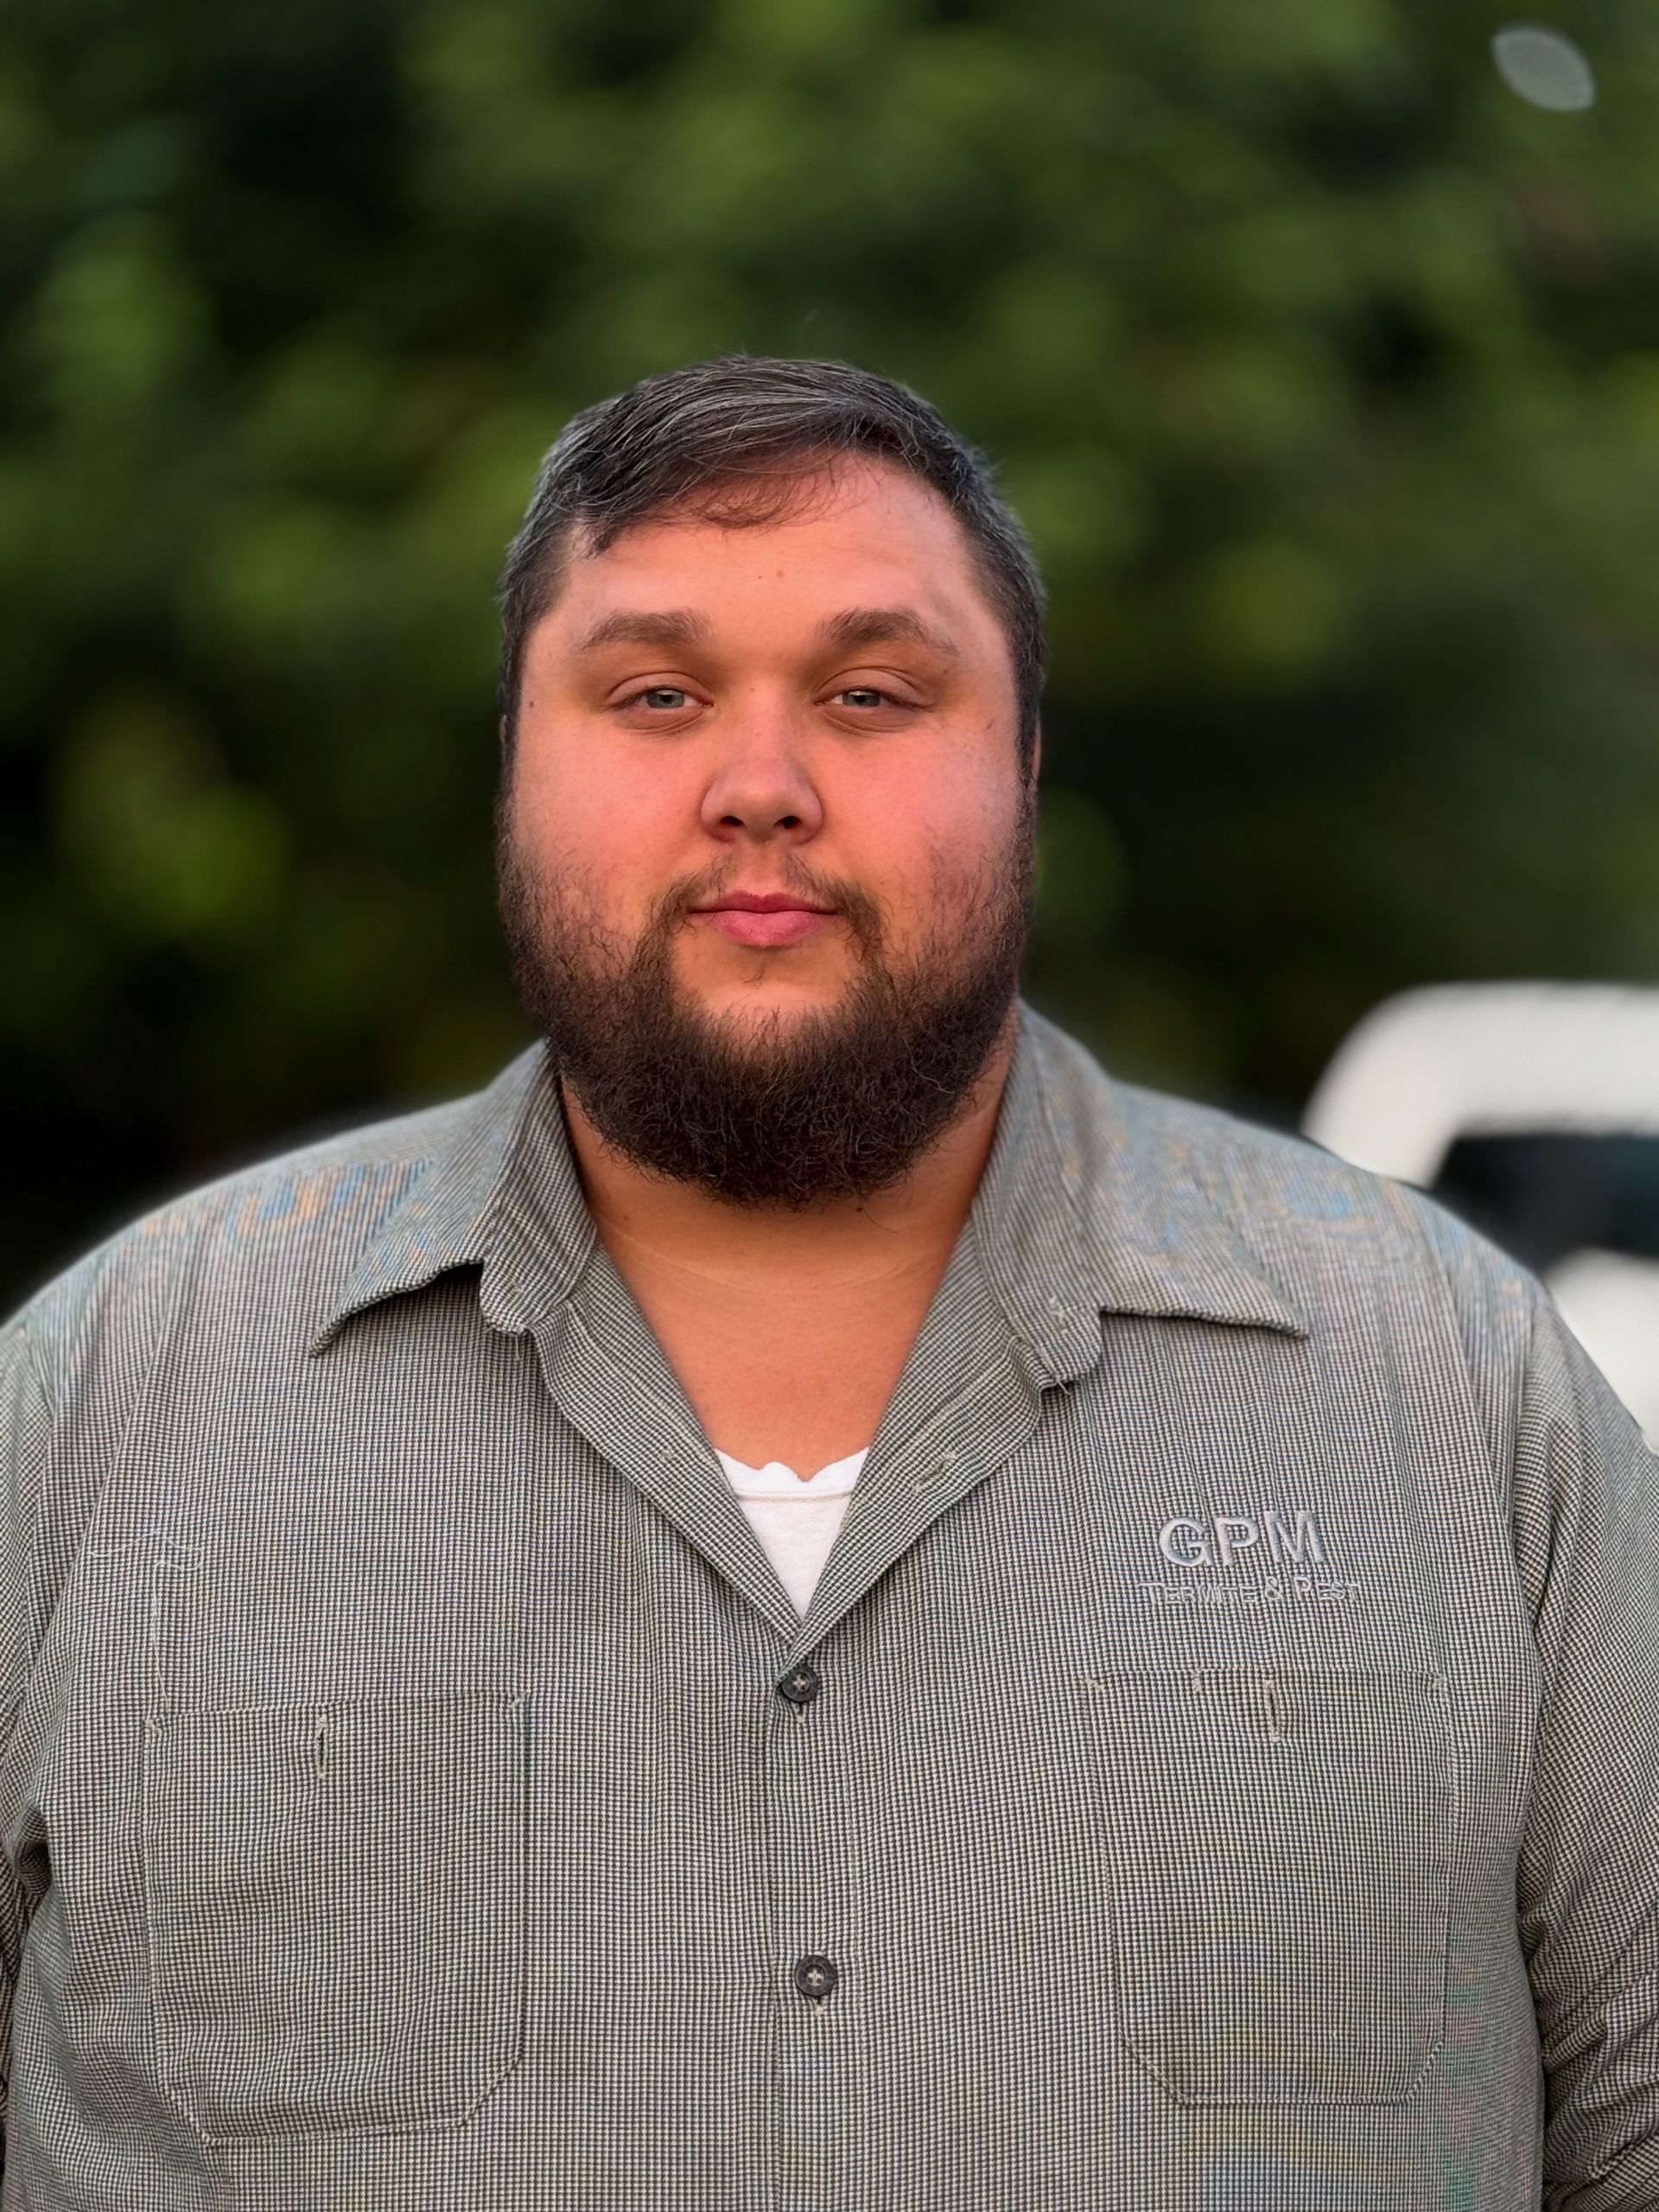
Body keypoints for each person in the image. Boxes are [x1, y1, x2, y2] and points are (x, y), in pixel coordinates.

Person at [1, 352, 1654, 2212]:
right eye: (654, 693)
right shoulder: (95, 1403)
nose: (762, 785)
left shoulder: (1448, 1383)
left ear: (1024, 760)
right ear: (515, 771)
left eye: (873, 693)